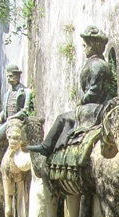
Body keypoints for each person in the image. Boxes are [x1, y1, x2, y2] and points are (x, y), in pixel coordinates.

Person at [28, 26, 113, 156]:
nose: (84, 47)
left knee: (62, 118)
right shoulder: (96, 63)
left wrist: (82, 100)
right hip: (94, 106)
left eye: (86, 45)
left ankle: (47, 146)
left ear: (92, 45)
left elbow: (94, 91)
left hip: (95, 108)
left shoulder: (97, 65)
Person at [0, 64, 33, 166]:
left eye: (11, 76)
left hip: (18, 120)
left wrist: (14, 116)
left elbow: (25, 110)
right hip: (8, 121)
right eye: (8, 76)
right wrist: (1, 114)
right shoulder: (6, 94)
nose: (9, 78)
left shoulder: (26, 92)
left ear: (17, 77)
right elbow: (5, 110)